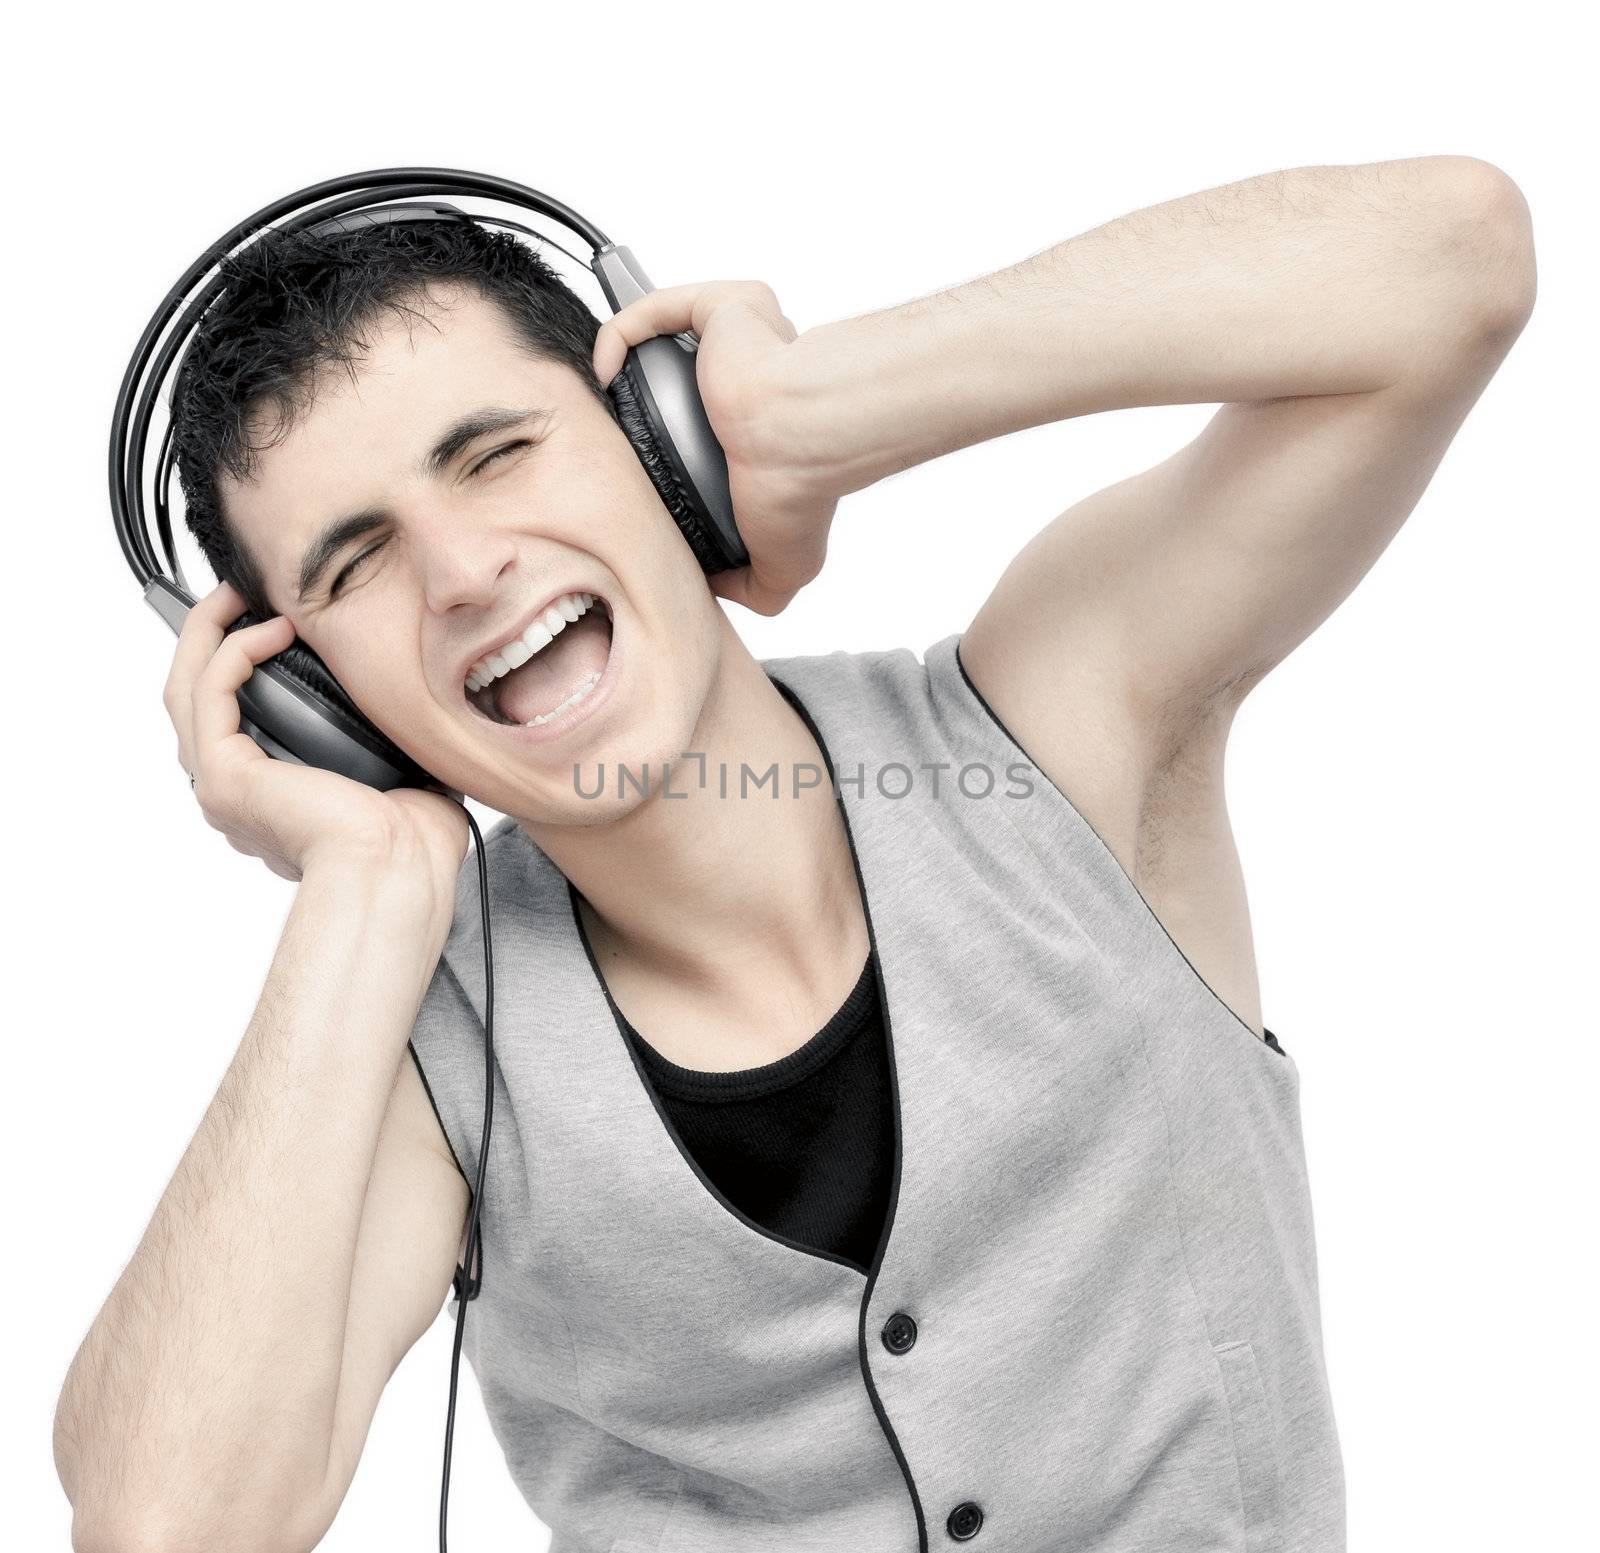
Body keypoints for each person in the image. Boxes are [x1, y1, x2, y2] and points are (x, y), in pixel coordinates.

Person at [54, 155, 1535, 1552]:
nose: (462, 574)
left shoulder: (1067, 720)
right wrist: (361, 887)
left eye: (499, 453)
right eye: (355, 562)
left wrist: (817, 407)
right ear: (320, 708)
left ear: (662, 451)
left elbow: (1454, 258)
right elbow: (166, 1526)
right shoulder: (429, 1047)